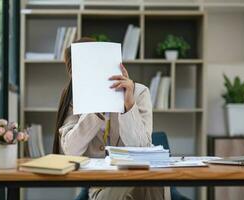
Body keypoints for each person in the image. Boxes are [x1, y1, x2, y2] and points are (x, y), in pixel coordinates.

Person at [53, 38, 165, 200]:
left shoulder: (139, 93)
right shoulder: (75, 100)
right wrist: (94, 111)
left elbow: (143, 150)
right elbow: (70, 151)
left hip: (142, 186)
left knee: (142, 179)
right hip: (102, 187)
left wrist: (128, 106)